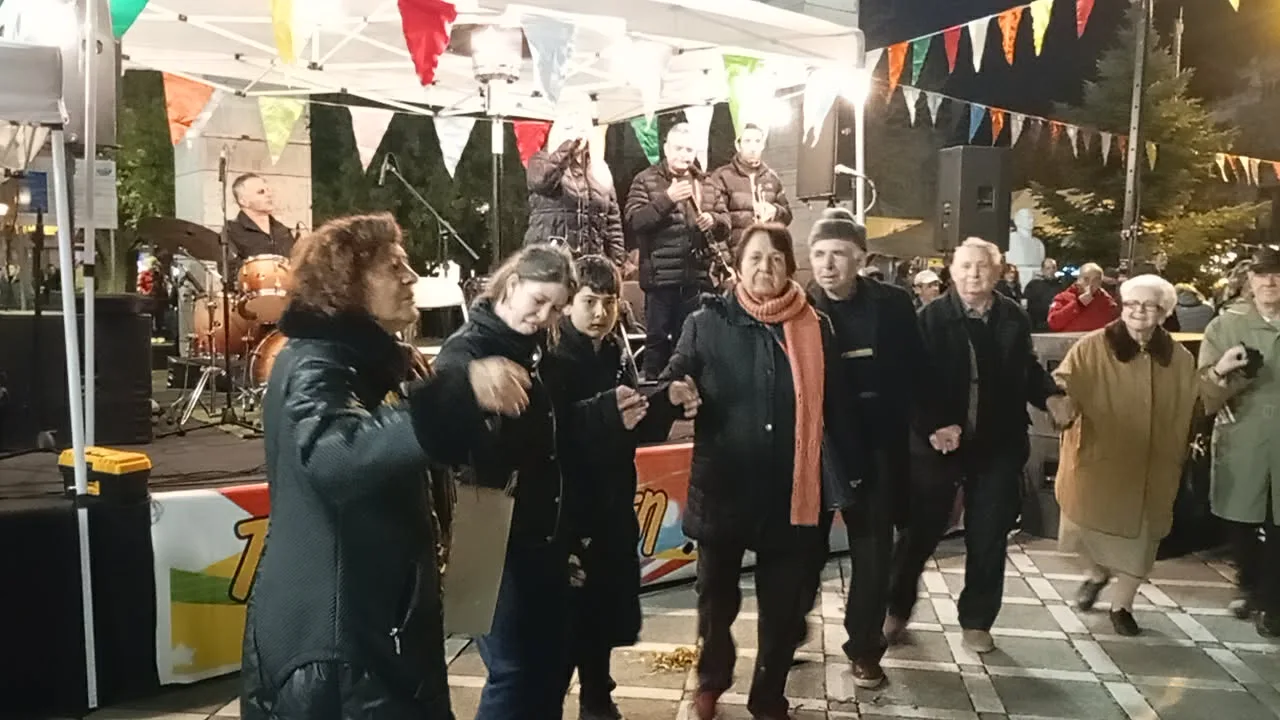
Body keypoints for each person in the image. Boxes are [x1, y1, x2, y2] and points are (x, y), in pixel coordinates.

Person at [240, 213, 530, 720]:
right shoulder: (315, 362)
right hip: (338, 650)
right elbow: (335, 455)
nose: (411, 277)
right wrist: (455, 395)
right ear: (347, 283)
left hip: (374, 632)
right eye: (394, 267)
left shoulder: (376, 361)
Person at [664, 224, 859, 720]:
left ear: (790, 267)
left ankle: (768, 695)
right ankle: (711, 680)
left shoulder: (817, 326)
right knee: (715, 600)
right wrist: (677, 389)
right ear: (737, 267)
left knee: (784, 605)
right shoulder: (707, 321)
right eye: (754, 258)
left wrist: (853, 471)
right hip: (724, 487)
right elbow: (676, 372)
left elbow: (837, 406)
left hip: (792, 490)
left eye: (775, 259)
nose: (765, 267)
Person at [887, 237, 1069, 654]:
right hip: (939, 446)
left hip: (998, 444)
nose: (974, 274)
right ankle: (895, 608)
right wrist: (933, 425)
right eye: (966, 266)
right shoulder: (929, 318)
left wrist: (1050, 396)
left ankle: (977, 619)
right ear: (952, 272)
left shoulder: (1012, 316)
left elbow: (1027, 369)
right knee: (918, 534)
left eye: (983, 266)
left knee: (989, 537)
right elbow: (910, 382)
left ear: (998, 271)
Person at [544, 255, 701, 720]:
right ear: (568, 302)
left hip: (612, 502)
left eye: (609, 302)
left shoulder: (614, 349)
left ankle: (597, 696)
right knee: (565, 622)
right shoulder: (552, 354)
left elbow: (632, 420)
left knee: (603, 612)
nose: (600, 313)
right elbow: (550, 433)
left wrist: (666, 400)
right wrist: (605, 412)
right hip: (566, 508)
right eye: (589, 301)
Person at [432, 244, 581, 719]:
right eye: (539, 301)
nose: (544, 316)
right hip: (481, 523)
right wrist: (469, 389)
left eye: (556, 308)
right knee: (512, 669)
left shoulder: (539, 350)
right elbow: (436, 422)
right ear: (511, 285)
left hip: (538, 525)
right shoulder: (466, 351)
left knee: (553, 661)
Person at [805, 208, 934, 688]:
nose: (827, 264)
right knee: (803, 550)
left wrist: (934, 422)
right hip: (819, 445)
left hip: (878, 443)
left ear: (860, 258)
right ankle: (791, 628)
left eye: (838, 254)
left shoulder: (894, 304)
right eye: (819, 254)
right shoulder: (799, 306)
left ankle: (864, 647)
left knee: (873, 554)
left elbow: (919, 368)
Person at [1050, 275, 1201, 636]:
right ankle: (1096, 573)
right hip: (1098, 459)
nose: (1138, 311)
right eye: (1132, 304)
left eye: (1149, 305)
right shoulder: (1092, 346)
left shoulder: (1178, 358)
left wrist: (1225, 375)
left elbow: (1197, 398)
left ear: (1163, 313)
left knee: (1143, 539)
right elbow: (1064, 381)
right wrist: (1061, 403)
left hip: (1152, 463)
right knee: (1078, 531)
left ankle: (1123, 606)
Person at [1198, 247, 1280, 638]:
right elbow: (1204, 392)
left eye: (1277, 274)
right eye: (1262, 274)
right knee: (1242, 519)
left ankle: (1271, 601)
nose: (1270, 282)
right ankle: (1249, 585)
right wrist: (1222, 370)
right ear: (1249, 280)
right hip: (1244, 436)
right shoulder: (1225, 326)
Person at [625, 123, 730, 379]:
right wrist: (667, 199)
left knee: (695, 344)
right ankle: (655, 396)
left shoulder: (706, 182)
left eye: (689, 150)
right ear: (666, 149)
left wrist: (713, 221)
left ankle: (692, 395)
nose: (684, 155)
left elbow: (726, 223)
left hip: (697, 279)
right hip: (660, 281)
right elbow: (635, 221)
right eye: (678, 148)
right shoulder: (645, 180)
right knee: (657, 346)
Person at [523, 120, 627, 267]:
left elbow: (612, 222)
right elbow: (541, 181)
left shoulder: (597, 167)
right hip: (550, 261)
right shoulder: (542, 159)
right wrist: (568, 148)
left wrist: (617, 264)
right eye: (569, 129)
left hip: (590, 263)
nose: (579, 134)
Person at [707, 122, 792, 255]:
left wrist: (775, 211)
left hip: (766, 254)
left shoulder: (772, 178)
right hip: (737, 256)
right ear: (738, 145)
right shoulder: (722, 176)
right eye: (747, 141)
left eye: (757, 141)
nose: (753, 148)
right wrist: (727, 261)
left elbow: (787, 217)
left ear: (763, 145)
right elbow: (718, 224)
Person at [227, 173, 295, 270]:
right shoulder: (231, 231)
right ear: (243, 201)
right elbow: (229, 271)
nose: (269, 195)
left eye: (268, 190)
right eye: (261, 192)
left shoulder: (282, 230)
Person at [1048, 262, 1118, 332]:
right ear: (1078, 279)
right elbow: (1053, 323)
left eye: (1095, 280)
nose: (1090, 284)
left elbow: (1117, 324)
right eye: (1086, 279)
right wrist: (1078, 304)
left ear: (1100, 282)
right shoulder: (1063, 297)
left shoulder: (1106, 301)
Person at [1023, 258, 1062, 332]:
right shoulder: (1033, 285)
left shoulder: (1060, 285)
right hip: (1038, 325)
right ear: (1042, 270)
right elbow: (1026, 305)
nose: (1051, 270)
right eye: (1048, 268)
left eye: (1053, 267)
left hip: (1055, 324)